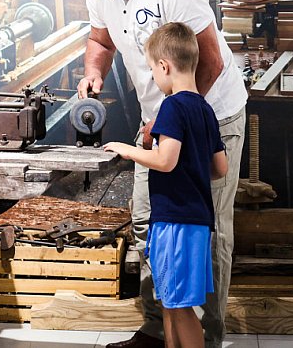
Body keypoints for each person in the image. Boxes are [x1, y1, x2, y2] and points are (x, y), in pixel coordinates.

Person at [60, 0, 247, 348]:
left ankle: (207, 337)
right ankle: (155, 330)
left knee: (207, 229)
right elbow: (102, 42)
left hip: (208, 118)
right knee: (150, 223)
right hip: (159, 126)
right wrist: (92, 73)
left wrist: (171, 120)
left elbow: (211, 62)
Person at [104, 22, 228, 348]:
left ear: (164, 66)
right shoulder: (205, 108)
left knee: (180, 307)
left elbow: (166, 160)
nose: (153, 78)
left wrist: (127, 149)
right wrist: (192, 171)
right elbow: (220, 167)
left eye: (151, 70)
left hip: (175, 222)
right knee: (170, 303)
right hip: (196, 221)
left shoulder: (171, 106)